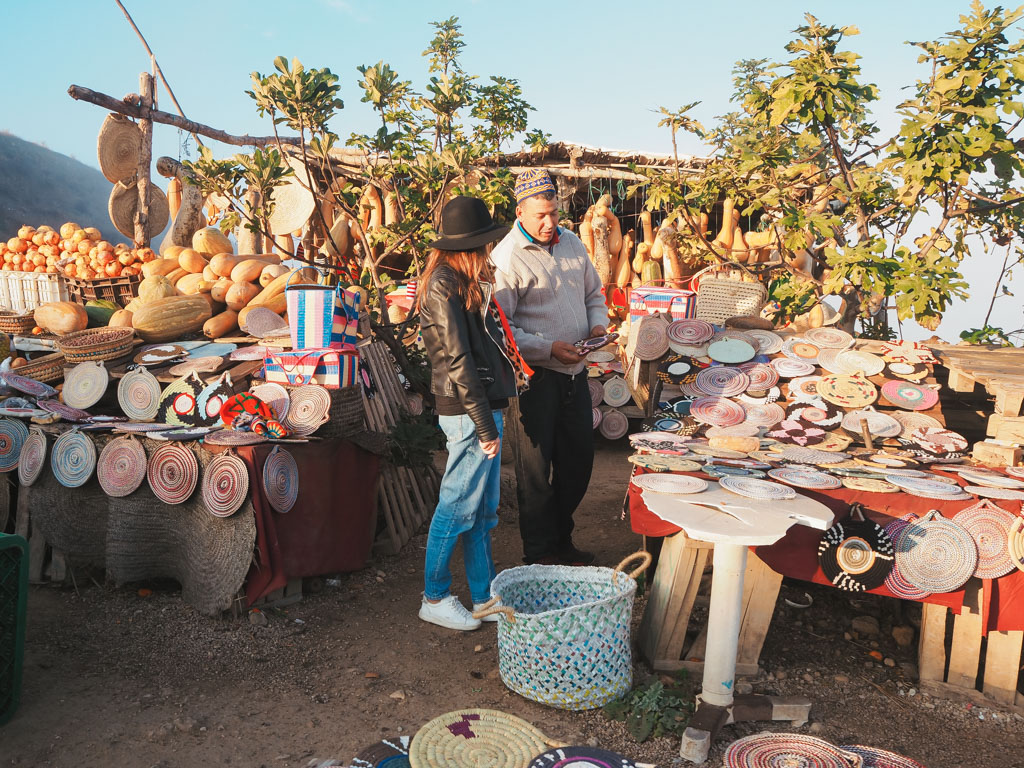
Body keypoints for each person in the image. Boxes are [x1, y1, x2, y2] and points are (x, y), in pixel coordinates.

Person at [417, 195, 532, 631]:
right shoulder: (444, 284)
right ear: (467, 247)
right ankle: (435, 595)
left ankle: (483, 597)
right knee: (456, 507)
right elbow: (458, 359)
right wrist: (485, 425)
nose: (488, 252)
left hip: (481, 407)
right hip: (468, 411)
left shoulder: (460, 281)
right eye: (484, 244)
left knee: (482, 512)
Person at [492, 169, 608, 566]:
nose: (549, 223)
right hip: (534, 380)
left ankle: (560, 539)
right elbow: (502, 330)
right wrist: (547, 349)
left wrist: (598, 325)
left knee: (578, 463)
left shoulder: (573, 243)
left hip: (575, 372)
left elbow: (594, 293)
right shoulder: (506, 258)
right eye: (540, 215)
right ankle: (540, 554)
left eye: (554, 214)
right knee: (536, 473)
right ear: (520, 211)